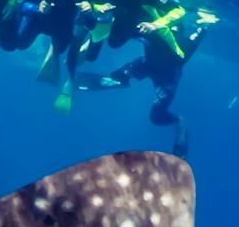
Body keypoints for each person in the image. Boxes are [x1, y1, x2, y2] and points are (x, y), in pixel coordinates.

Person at [77, 12, 216, 156]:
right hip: (148, 64)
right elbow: (125, 30)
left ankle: (179, 122)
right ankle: (115, 79)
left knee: (156, 117)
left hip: (167, 77)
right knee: (119, 77)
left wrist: (207, 22)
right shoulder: (152, 32)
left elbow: (199, 34)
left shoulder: (182, 49)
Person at [0, 0, 99, 110]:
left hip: (63, 27)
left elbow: (93, 24)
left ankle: (59, 48)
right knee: (20, 44)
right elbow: (24, 6)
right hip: (40, 21)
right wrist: (37, 8)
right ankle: (0, 26)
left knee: (60, 50)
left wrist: (89, 11)